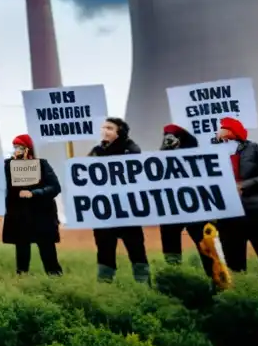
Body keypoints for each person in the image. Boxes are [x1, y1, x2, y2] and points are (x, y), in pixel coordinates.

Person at [215, 117, 258, 275]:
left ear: (233, 131)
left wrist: (245, 186)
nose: (219, 131)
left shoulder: (254, 149)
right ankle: (240, 293)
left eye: (223, 128)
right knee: (233, 261)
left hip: (254, 211)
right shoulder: (215, 152)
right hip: (228, 214)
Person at [89, 117, 150, 284]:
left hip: (127, 210)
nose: (104, 131)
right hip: (105, 210)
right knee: (104, 249)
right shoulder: (96, 150)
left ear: (120, 132)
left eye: (109, 128)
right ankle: (105, 285)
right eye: (103, 127)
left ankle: (143, 284)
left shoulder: (131, 149)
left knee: (136, 248)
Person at [157, 124, 215, 279]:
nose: (168, 140)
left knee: (205, 246)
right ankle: (174, 278)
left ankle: (215, 279)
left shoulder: (198, 157)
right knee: (170, 249)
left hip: (195, 209)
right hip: (172, 209)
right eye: (166, 136)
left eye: (173, 137)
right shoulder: (162, 157)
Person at [1, 134, 62, 277]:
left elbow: (55, 187)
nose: (17, 150)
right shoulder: (8, 165)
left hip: (41, 214)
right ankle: (22, 280)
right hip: (19, 215)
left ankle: (56, 279)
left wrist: (34, 193)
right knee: (22, 250)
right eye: (15, 147)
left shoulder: (41, 164)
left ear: (28, 149)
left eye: (20, 147)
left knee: (47, 250)